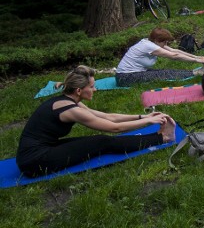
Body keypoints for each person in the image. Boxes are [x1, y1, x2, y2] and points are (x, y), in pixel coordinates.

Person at [16, 66, 177, 177]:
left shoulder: (69, 100)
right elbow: (115, 128)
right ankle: (163, 138)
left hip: (41, 150)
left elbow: (107, 116)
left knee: (94, 142)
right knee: (102, 142)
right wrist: (150, 122)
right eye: (92, 87)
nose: (96, 89)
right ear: (79, 90)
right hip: (34, 162)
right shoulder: (72, 110)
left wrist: (144, 117)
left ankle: (161, 136)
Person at [115, 28, 204, 87]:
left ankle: (196, 72)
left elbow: (174, 51)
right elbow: (174, 56)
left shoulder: (150, 42)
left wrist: (197, 56)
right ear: (156, 40)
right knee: (164, 74)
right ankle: (196, 72)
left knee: (165, 71)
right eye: (164, 42)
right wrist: (196, 60)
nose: (166, 44)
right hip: (125, 78)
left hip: (133, 73)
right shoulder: (148, 46)